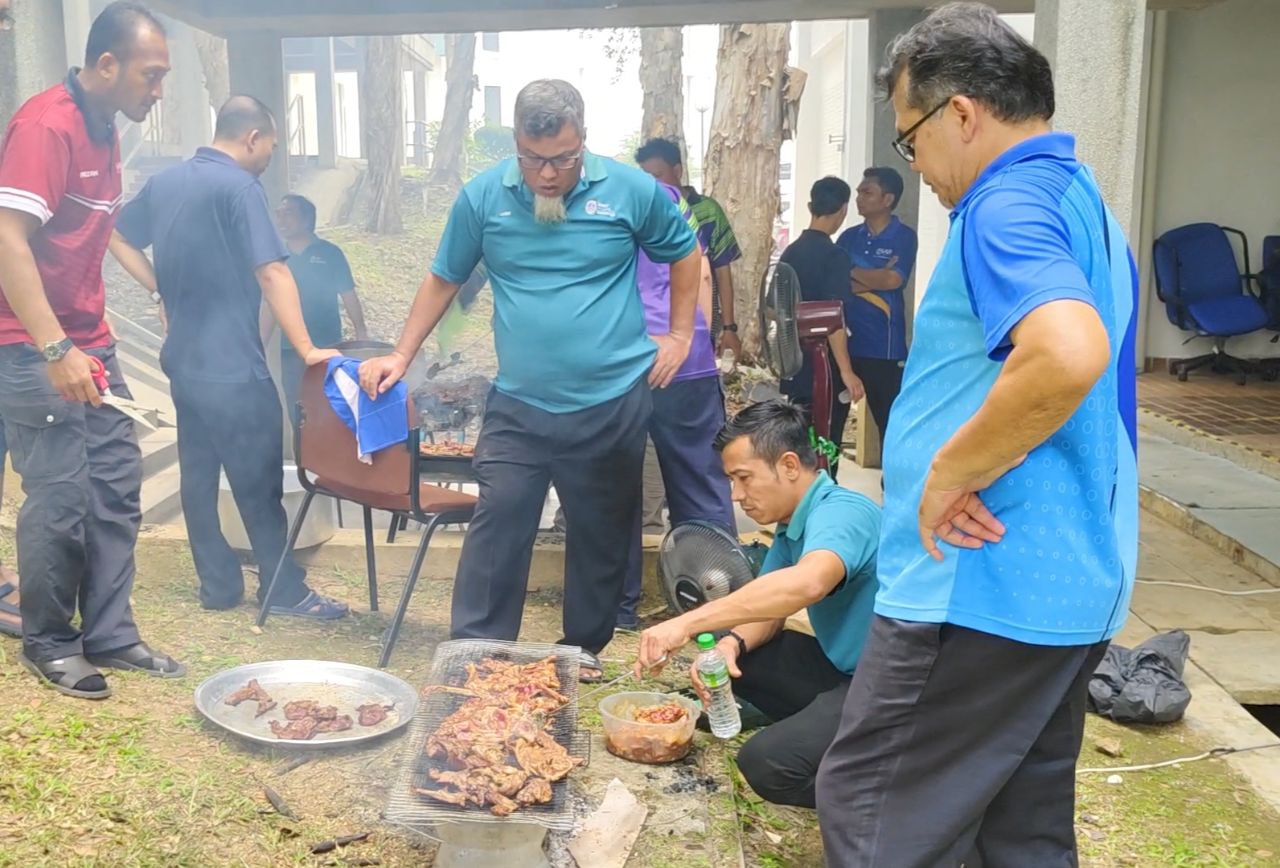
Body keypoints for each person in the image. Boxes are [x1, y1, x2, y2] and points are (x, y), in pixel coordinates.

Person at [815, 5, 1139, 866]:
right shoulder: (1082, 198)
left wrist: (952, 467)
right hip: (1071, 580)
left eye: (909, 140)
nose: (911, 164)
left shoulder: (1004, 203)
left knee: (875, 811)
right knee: (1017, 829)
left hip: (979, 580)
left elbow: (1067, 352)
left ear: (961, 114)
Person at [359, 80, 700, 679]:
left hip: (610, 401)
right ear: (517, 146)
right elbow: (445, 277)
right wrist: (401, 353)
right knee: (501, 516)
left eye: (563, 159)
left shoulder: (630, 190)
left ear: (583, 142)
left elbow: (684, 250)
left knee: (598, 531)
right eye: (533, 158)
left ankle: (582, 649)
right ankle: (477, 649)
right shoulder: (484, 196)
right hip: (519, 402)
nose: (547, 174)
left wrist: (678, 336)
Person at [0, 1, 184, 698]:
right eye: (151, 74)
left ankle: (109, 631)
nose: (158, 90)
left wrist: (156, 285)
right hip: (28, 344)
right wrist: (54, 348)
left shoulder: (106, 128)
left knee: (114, 482)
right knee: (62, 492)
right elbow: (7, 239)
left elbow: (97, 230)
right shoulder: (48, 126)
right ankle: (50, 641)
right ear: (106, 65)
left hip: (90, 340)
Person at [111, 96, 346, 620]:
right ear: (252, 138)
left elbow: (119, 236)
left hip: (185, 362)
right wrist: (307, 348)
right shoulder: (240, 187)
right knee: (257, 480)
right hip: (234, 366)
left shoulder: (168, 182)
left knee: (198, 475)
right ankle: (282, 592)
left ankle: (217, 587)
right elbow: (273, 272)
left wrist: (160, 292)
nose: (268, 158)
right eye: (271, 148)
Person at [635, 400, 879, 808]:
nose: (736, 496)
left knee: (768, 764)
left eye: (743, 478)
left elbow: (808, 583)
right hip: (846, 670)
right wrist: (729, 646)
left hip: (891, 686)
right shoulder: (789, 528)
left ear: (787, 465)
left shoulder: (843, 512)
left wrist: (687, 624)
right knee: (741, 660)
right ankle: (837, 742)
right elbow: (768, 611)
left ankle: (896, 791)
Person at [620, 177, 735, 628]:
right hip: (685, 362)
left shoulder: (600, 202)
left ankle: (618, 609)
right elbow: (702, 271)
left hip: (621, 360)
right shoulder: (669, 199)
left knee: (616, 488)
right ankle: (716, 600)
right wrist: (691, 340)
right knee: (701, 485)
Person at [777, 176, 866, 467]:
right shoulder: (834, 255)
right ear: (842, 211)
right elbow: (833, 319)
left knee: (797, 440)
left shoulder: (790, 253)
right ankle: (823, 496)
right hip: (823, 369)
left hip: (793, 363)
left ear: (810, 206)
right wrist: (847, 371)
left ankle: (792, 503)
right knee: (825, 439)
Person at [835, 167, 917, 455]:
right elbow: (837, 283)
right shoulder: (848, 238)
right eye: (858, 192)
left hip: (885, 348)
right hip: (845, 345)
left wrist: (853, 273)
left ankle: (891, 491)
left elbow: (893, 280)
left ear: (888, 199)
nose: (858, 198)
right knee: (833, 423)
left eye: (867, 192)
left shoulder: (903, 236)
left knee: (890, 425)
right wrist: (875, 276)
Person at [636, 137, 743, 358]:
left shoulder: (707, 211)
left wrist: (729, 327)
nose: (651, 185)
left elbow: (722, 272)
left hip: (701, 320)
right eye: (644, 178)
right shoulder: (639, 212)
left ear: (677, 170)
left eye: (657, 176)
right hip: (652, 327)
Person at [273, 193, 368, 429]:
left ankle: (329, 462)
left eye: (289, 213)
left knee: (329, 407)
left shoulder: (330, 253)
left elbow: (348, 295)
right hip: (289, 349)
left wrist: (361, 335)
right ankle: (304, 461)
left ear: (307, 220)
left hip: (328, 346)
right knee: (298, 410)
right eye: (279, 213)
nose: (281, 219)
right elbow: (267, 303)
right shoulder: (275, 256)